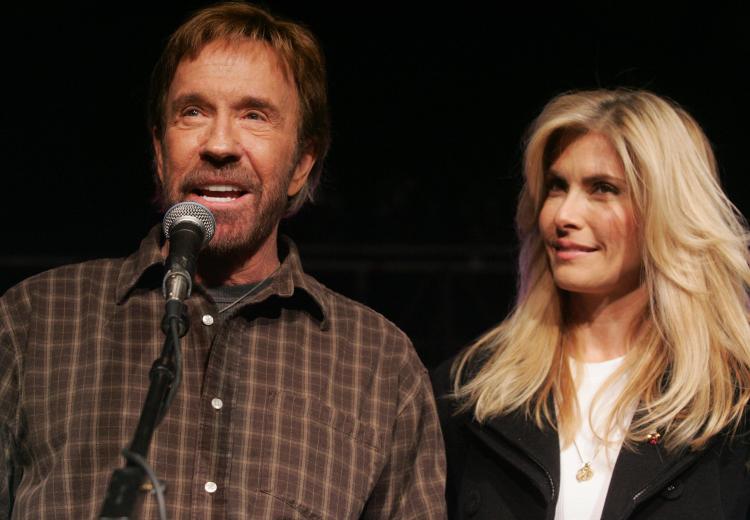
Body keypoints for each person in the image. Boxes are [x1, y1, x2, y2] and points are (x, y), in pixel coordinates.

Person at [0, 3, 446, 518]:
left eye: (254, 115)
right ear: (160, 150)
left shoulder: (380, 367)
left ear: (302, 163)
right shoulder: (34, 321)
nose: (218, 144)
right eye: (193, 112)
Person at [432, 89, 750, 519]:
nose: (564, 215)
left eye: (602, 189)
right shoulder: (471, 391)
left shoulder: (733, 400)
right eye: (557, 187)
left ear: (669, 210)